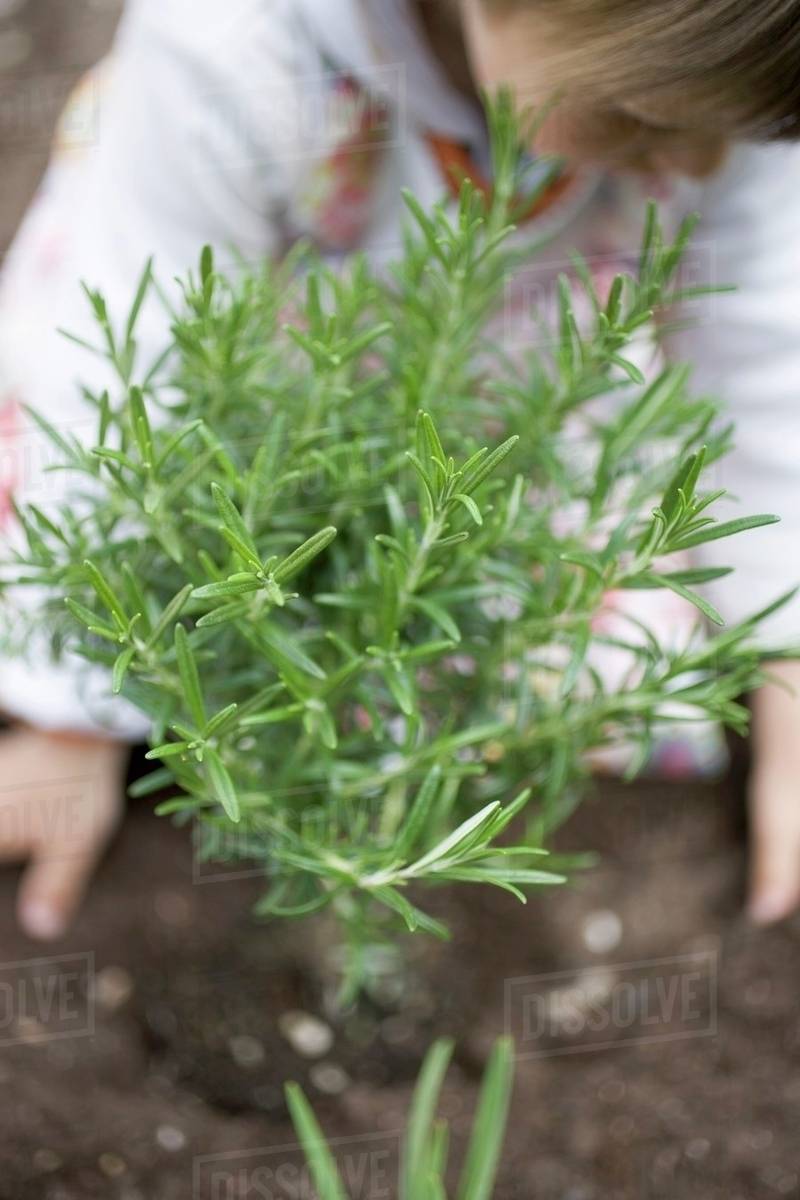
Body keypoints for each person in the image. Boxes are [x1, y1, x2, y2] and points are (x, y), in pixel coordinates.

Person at [0, 0, 799, 939]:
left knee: (575, 652)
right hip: (254, 397)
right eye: (647, 120)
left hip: (500, 416)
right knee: (70, 464)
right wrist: (70, 714)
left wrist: (783, 649)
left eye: (740, 138)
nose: (698, 165)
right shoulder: (230, 42)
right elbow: (116, 371)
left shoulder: (734, 62)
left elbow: (766, 346)